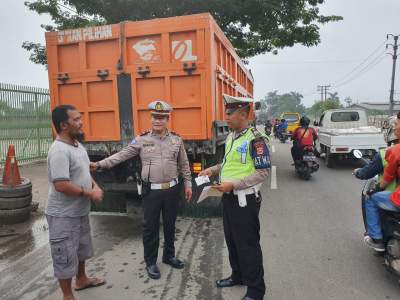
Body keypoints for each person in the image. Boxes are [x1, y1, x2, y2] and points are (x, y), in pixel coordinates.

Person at [90, 100, 192, 280]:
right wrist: (99, 165)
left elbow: (184, 164)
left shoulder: (177, 140)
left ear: (167, 119)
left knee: (170, 226)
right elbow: (121, 155)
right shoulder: (142, 139)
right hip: (151, 192)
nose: (157, 121)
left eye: (161, 117)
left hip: (172, 190)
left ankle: (169, 256)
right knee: (150, 228)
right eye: (154, 117)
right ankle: (151, 262)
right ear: (150, 118)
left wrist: (188, 184)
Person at [199, 94, 270, 300]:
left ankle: (256, 290)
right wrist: (211, 170)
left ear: (243, 114)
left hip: (245, 200)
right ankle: (238, 275)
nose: (226, 117)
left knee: (248, 245)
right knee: (232, 240)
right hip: (229, 197)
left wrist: (233, 185)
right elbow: (228, 164)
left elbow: (262, 173)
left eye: (230, 113)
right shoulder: (232, 137)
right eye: (226, 113)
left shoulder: (256, 139)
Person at [47, 105, 105, 300]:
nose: (81, 123)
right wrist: (90, 193)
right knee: (64, 254)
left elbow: (84, 172)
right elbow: (61, 185)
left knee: (81, 248)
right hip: (62, 214)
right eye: (77, 119)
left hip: (79, 211)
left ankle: (81, 279)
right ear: (64, 125)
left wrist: (95, 186)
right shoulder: (59, 151)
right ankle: (67, 295)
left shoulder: (76, 145)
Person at [354, 114, 400, 251]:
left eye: (397, 124)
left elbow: (386, 177)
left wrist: (374, 189)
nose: (395, 127)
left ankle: (377, 239)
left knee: (371, 198)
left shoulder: (391, 152)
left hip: (394, 196)